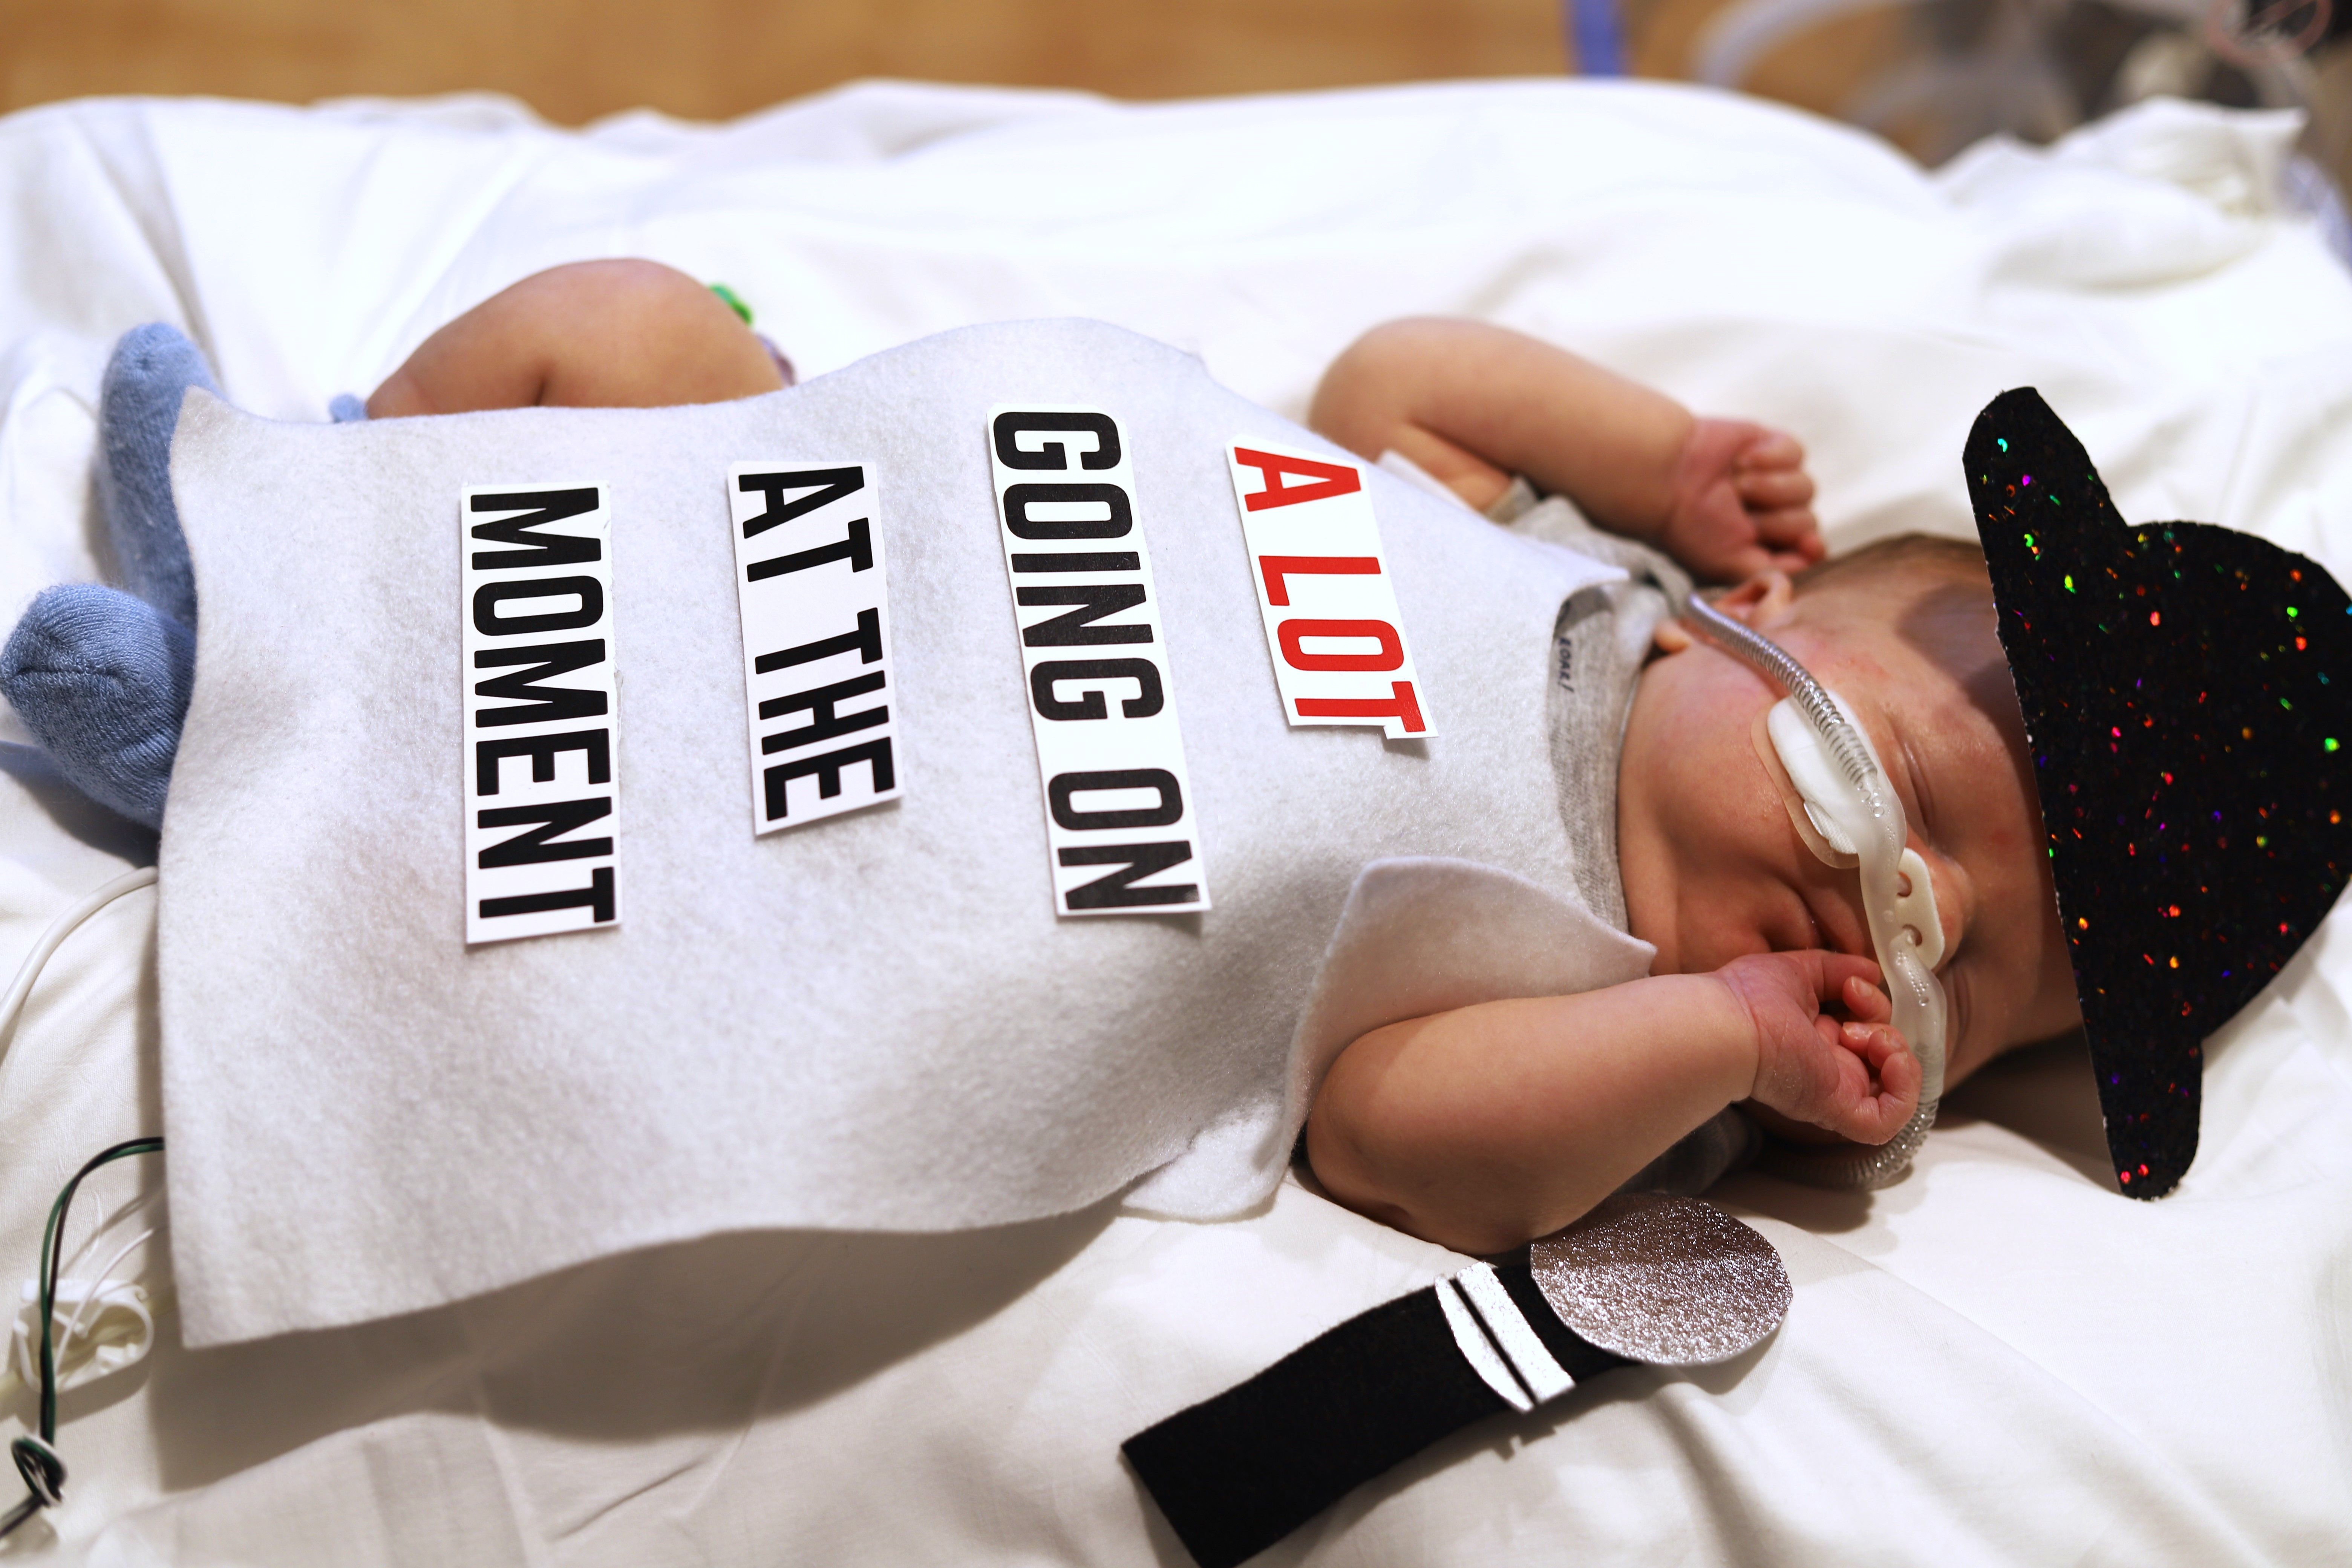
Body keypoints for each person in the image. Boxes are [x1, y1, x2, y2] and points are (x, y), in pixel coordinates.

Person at [0, 263, 2080, 1257]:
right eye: (1907, 795)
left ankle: (231, 746)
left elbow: (1385, 1128)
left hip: (851, 827)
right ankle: (312, 516)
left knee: (573, 924)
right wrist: (1653, 452)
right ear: (1766, 615)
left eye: (1961, 990)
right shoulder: (1544, 561)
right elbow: (1395, 383)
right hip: (848, 546)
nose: (1917, 910)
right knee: (625, 341)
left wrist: (1722, 1041)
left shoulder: (1589, 988)